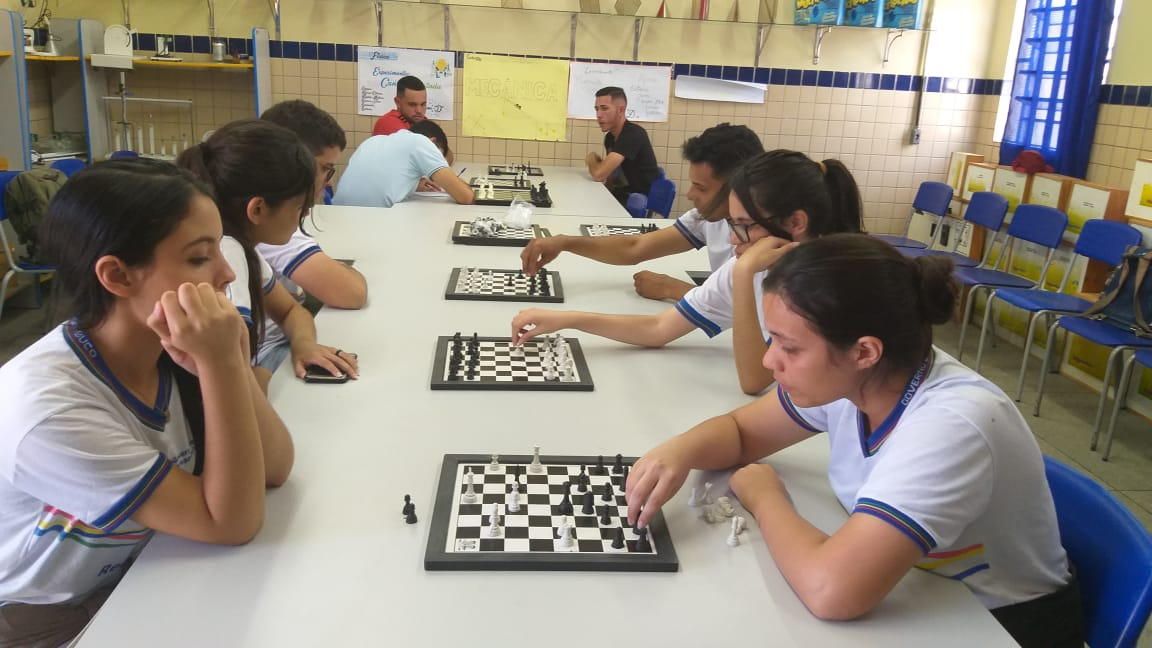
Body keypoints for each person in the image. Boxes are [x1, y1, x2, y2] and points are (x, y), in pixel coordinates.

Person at [624, 234, 1084, 647]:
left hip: (995, 624)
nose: (768, 361)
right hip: (919, 591)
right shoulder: (860, 380)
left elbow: (831, 591)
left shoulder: (953, 425)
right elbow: (743, 432)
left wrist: (765, 496)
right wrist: (678, 450)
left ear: (864, 351)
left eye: (789, 347)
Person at [0, 159, 294, 645]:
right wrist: (221, 368)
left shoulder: (170, 346)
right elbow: (230, 523)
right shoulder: (50, 410)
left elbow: (276, 466)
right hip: (46, 615)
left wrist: (232, 364)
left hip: (148, 565)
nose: (225, 274)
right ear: (116, 276)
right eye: (200, 258)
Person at [512, 149, 863, 395]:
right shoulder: (753, 264)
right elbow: (658, 328)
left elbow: (755, 380)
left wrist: (742, 277)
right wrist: (569, 319)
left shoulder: (829, 287)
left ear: (796, 222)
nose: (731, 237)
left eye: (743, 225)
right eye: (731, 222)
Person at [177, 120, 359, 392]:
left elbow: (290, 310)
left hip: (265, 356)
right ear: (258, 209)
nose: (305, 214)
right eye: (300, 206)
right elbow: (234, 389)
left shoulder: (241, 245)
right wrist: (268, 373)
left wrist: (304, 344)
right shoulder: (228, 254)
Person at [522, 123, 763, 302]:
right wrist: (564, 242)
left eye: (701, 187)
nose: (689, 195)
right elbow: (634, 248)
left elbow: (751, 309)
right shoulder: (707, 217)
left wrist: (673, 289)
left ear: (737, 186)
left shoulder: (769, 235)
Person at [258, 100, 368, 310]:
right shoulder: (273, 220)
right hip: (278, 342)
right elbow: (352, 294)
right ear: (294, 161)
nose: (330, 181)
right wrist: (345, 270)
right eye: (325, 168)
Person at [333, 120, 473, 208]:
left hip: (335, 215)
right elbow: (465, 197)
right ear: (433, 142)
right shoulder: (422, 143)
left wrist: (412, 184)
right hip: (371, 221)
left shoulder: (374, 141)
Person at [585, 86, 661, 205]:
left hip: (638, 203)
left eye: (604, 108)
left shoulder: (633, 134)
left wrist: (591, 159)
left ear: (620, 110)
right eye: (597, 109)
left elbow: (599, 174)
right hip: (621, 196)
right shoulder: (610, 138)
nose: (599, 115)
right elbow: (610, 178)